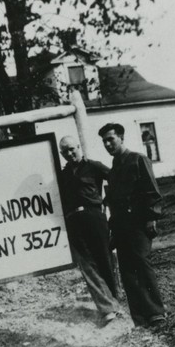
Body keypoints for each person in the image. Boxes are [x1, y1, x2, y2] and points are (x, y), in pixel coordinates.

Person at [98, 123, 166, 327]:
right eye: (104, 141)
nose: (108, 144)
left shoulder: (138, 160)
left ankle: (156, 313)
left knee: (142, 265)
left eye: (111, 139)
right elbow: (112, 200)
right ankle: (140, 317)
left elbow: (152, 192)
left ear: (121, 137)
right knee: (127, 271)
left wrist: (151, 218)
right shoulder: (114, 169)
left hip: (137, 223)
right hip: (120, 226)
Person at [59, 135, 121, 325]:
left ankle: (115, 299)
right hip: (73, 222)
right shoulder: (62, 174)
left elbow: (117, 179)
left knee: (104, 259)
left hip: (95, 217)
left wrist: (109, 202)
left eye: (72, 149)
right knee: (87, 265)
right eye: (65, 152)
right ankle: (107, 308)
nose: (70, 154)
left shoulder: (94, 166)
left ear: (79, 147)